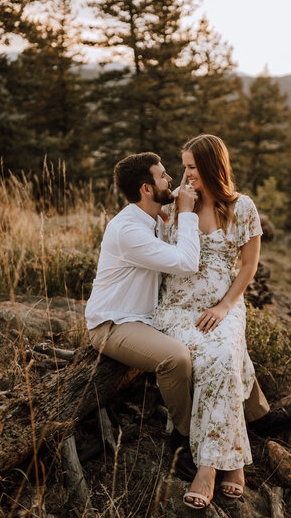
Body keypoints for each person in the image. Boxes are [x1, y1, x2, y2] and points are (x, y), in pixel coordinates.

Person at [153, 134, 291, 509]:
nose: (184, 175)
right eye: (183, 166)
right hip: (177, 308)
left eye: (191, 167)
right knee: (212, 362)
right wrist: (178, 208)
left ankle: (207, 467)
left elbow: (249, 266)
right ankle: (236, 457)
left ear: (211, 167)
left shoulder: (243, 207)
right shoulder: (173, 207)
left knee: (221, 358)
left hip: (223, 306)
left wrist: (224, 307)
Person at [85, 152, 200, 455]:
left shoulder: (148, 214)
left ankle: (258, 416)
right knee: (177, 358)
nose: (171, 179)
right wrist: (187, 213)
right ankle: (184, 441)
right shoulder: (129, 231)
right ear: (146, 189)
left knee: (221, 337)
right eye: (163, 176)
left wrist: (185, 191)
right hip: (114, 324)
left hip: (146, 318)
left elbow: (172, 195)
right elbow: (186, 262)